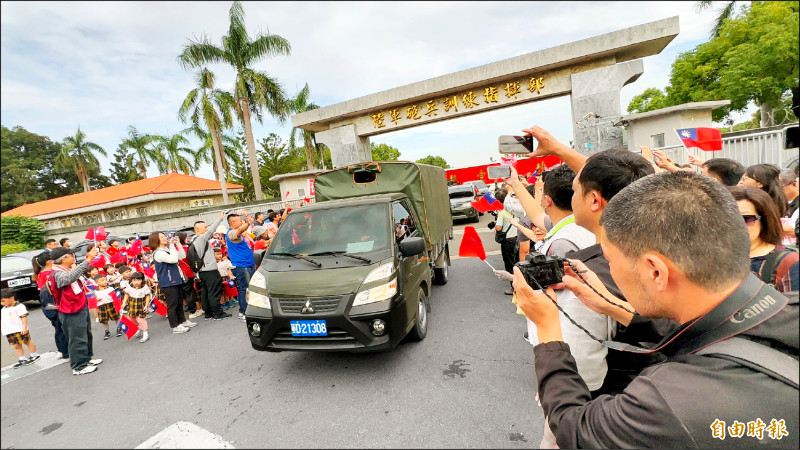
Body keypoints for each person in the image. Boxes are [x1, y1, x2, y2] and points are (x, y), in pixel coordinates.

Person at [515, 171, 798, 448]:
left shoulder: (667, 400)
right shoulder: (783, 307)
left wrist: (549, 331)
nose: (608, 269)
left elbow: (573, 428)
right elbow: (688, 331)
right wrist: (610, 306)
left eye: (610, 260)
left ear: (656, 271)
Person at [514, 126, 660, 405]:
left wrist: (543, 323)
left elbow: (581, 372)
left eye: (574, 190)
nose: (571, 198)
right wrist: (559, 149)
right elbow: (628, 189)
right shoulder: (667, 246)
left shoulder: (581, 272)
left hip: (600, 404)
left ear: (594, 200)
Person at [728, 186, 799, 293]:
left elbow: (791, 307)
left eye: (746, 218)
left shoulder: (787, 263)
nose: (737, 224)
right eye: (728, 218)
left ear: (765, 220)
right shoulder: (708, 258)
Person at [48, 246, 103, 375]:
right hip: (70, 310)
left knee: (86, 335)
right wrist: (87, 260)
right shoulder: (57, 273)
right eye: (71, 255)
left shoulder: (67, 269)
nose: (73, 257)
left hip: (79, 305)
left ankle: (87, 358)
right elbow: (68, 279)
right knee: (77, 338)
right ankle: (78, 366)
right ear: (64, 259)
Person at [149, 232, 196, 334]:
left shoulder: (166, 249)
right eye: (161, 237)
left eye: (164, 236)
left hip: (176, 279)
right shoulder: (158, 253)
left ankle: (182, 321)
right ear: (155, 240)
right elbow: (173, 259)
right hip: (168, 281)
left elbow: (182, 256)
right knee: (173, 304)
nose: (165, 238)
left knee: (179, 302)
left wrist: (178, 244)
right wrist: (171, 245)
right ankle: (175, 325)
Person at [192, 211, 231, 321]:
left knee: (206, 292)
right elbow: (211, 231)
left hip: (203, 271)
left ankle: (208, 313)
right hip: (209, 271)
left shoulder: (194, 240)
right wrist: (220, 219)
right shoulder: (201, 239)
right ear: (197, 230)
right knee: (214, 291)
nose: (207, 228)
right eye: (205, 227)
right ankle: (217, 313)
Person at [33, 251, 68, 359]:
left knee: (60, 327)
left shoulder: (43, 273)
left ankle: (63, 350)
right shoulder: (47, 274)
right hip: (52, 304)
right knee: (60, 327)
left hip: (51, 304)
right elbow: (49, 292)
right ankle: (64, 351)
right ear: (49, 261)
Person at [226, 212, 256, 322]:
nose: (241, 222)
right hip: (241, 265)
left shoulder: (239, 233)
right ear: (233, 222)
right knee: (244, 289)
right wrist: (247, 223)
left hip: (248, 264)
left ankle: (245, 310)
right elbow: (239, 231)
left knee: (249, 288)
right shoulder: (231, 233)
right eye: (239, 221)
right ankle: (244, 312)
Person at [2, 288, 41, 368]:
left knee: (27, 342)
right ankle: (22, 358)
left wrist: (24, 328)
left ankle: (35, 354)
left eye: (3, 301)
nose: (2, 303)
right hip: (10, 331)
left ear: (12, 298)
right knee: (16, 345)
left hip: (19, 329)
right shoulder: (4, 309)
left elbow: (24, 317)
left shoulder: (19, 307)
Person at [493, 188, 518, 295]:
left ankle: (514, 288)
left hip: (508, 241)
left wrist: (495, 224)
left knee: (509, 264)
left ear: (499, 201)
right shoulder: (516, 208)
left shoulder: (502, 212)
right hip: (518, 237)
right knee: (518, 262)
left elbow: (498, 228)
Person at [176, 232, 203, 320]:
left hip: (180, 273)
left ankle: (192, 309)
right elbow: (190, 260)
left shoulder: (173, 249)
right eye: (185, 238)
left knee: (187, 292)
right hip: (187, 272)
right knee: (190, 292)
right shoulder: (185, 249)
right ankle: (193, 311)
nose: (187, 239)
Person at [120, 272, 152, 343]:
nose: (136, 282)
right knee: (131, 319)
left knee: (141, 319)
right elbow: (126, 294)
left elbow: (147, 296)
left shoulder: (145, 287)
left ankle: (145, 333)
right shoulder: (129, 287)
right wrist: (124, 302)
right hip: (132, 305)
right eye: (134, 280)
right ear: (131, 280)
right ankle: (138, 329)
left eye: (138, 280)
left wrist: (146, 305)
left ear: (142, 280)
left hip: (141, 305)